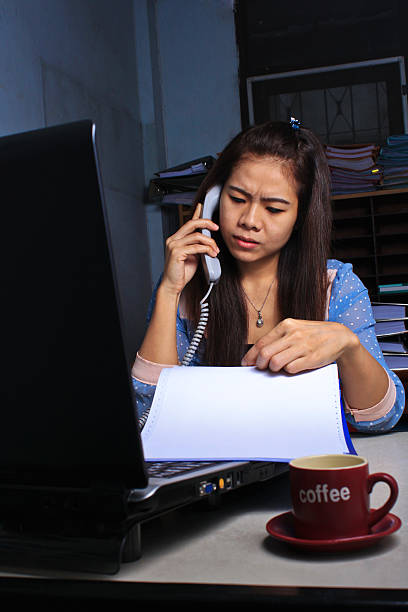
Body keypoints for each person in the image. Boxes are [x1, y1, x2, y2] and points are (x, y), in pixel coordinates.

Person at [132, 119, 405, 433]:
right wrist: (170, 290)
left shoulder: (335, 285)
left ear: (300, 217)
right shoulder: (187, 287)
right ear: (213, 200)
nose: (249, 220)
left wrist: (348, 345)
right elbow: (148, 414)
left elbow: (381, 418)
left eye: (273, 209)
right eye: (236, 199)